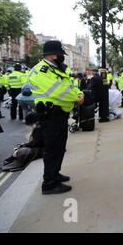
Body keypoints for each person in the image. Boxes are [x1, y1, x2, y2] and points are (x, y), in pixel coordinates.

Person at [28, 40, 84, 195]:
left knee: (60, 147)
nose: (62, 57)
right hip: (50, 115)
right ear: (52, 55)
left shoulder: (56, 69)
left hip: (60, 115)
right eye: (60, 54)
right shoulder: (41, 71)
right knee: (52, 149)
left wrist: (79, 93)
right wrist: (77, 98)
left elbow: (70, 86)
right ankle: (49, 183)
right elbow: (59, 91)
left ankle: (55, 174)